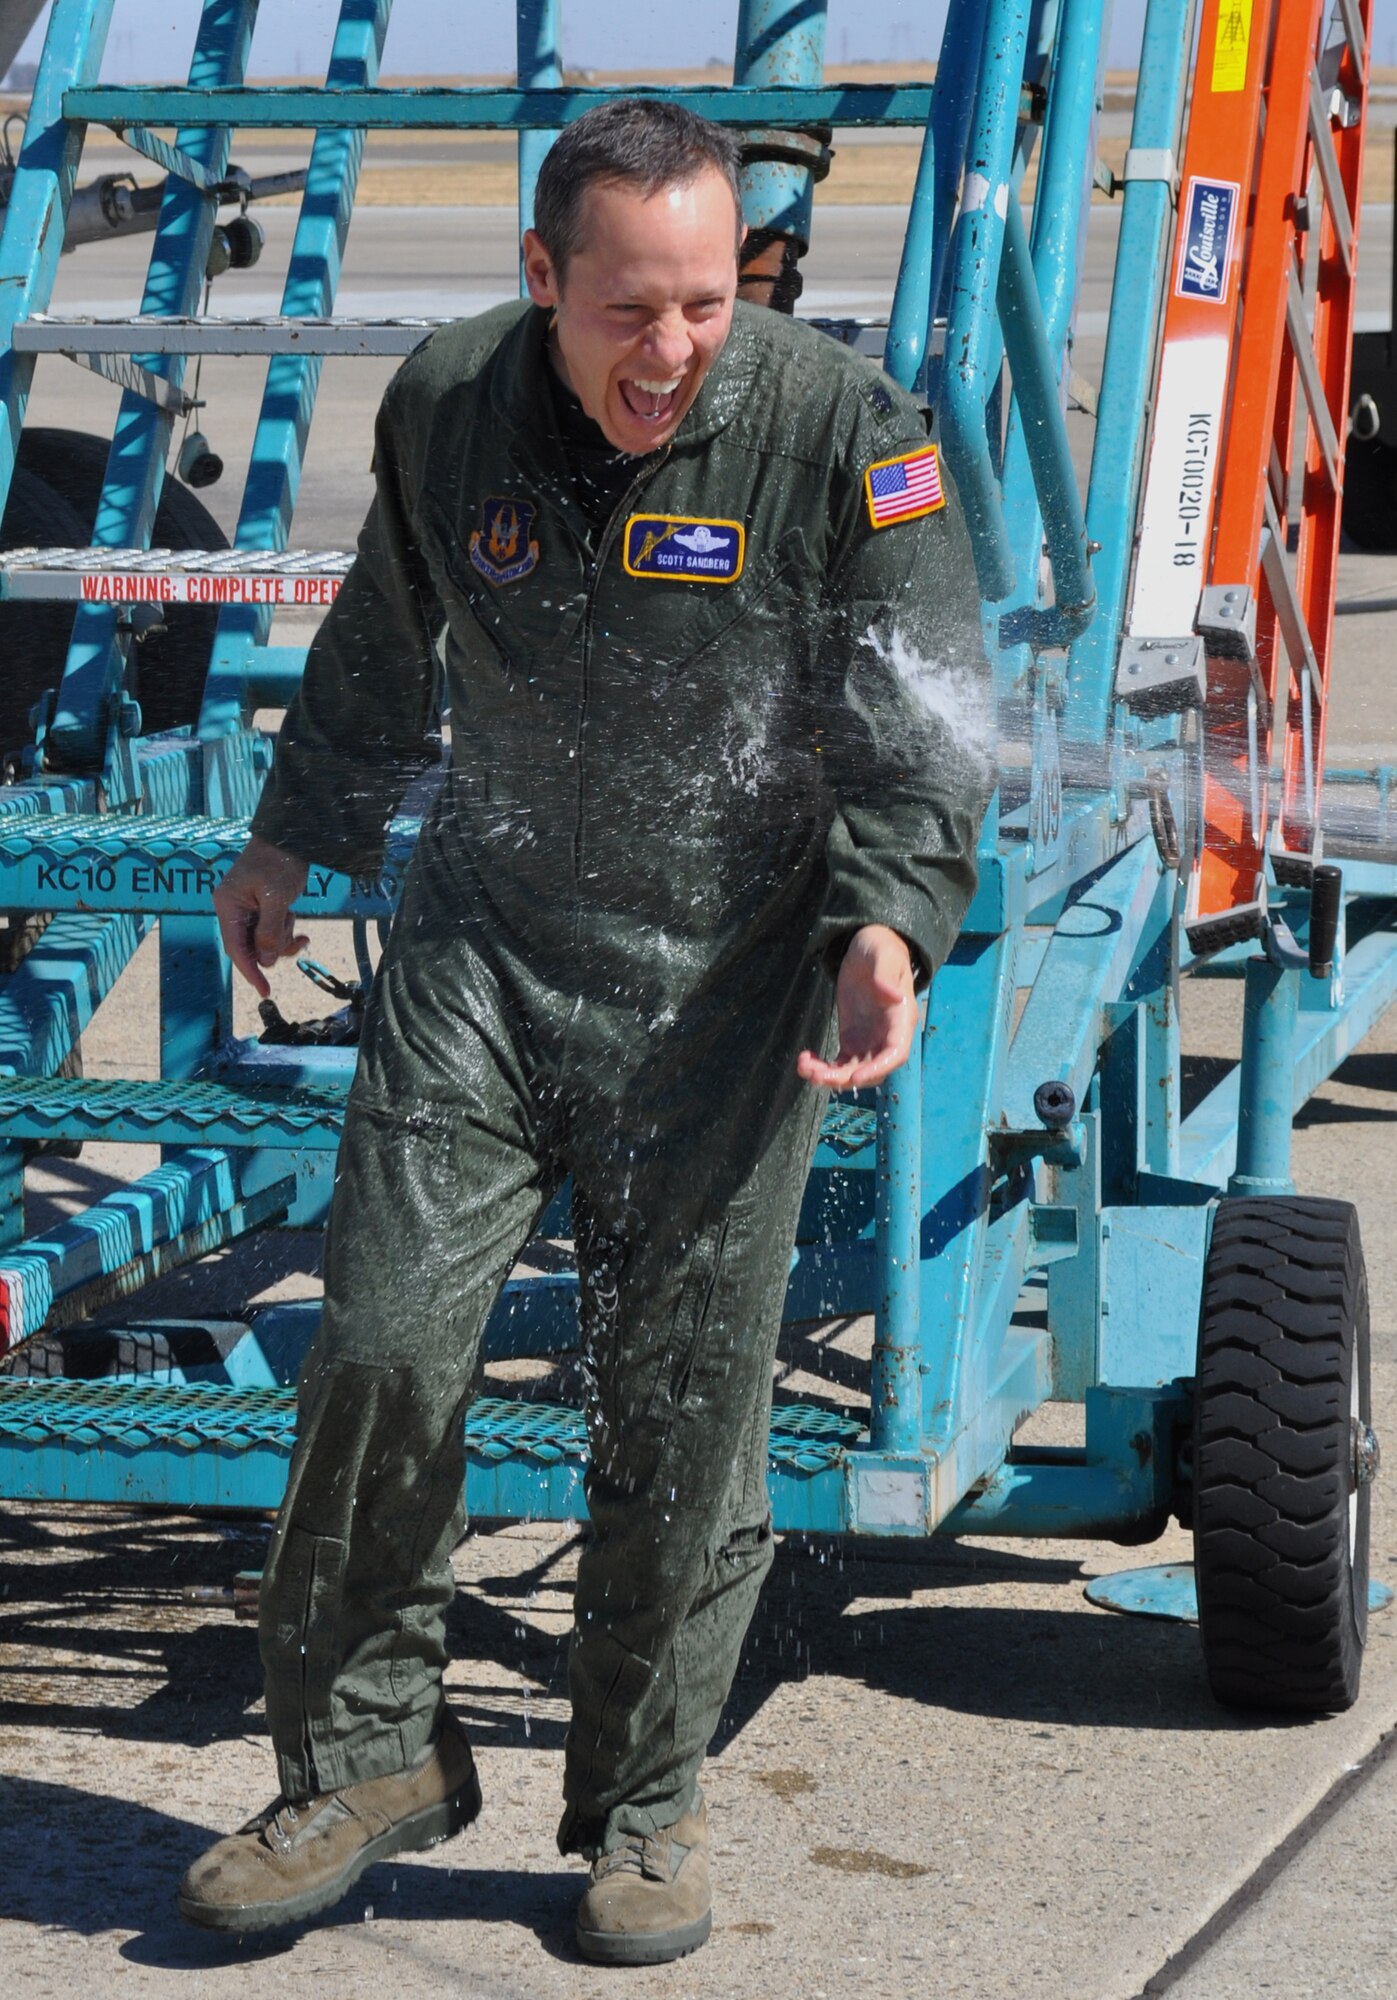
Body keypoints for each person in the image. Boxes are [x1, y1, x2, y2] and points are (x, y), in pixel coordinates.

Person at [181, 97, 989, 1965]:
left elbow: (919, 702)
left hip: (723, 987)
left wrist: (888, 921)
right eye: (628, 307)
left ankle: (642, 1808)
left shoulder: (843, 433)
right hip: (482, 954)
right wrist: (294, 830)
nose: (673, 345)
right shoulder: (449, 401)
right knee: (380, 1348)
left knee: (681, 1408)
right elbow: (384, 630)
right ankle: (368, 1759)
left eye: (706, 301)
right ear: (542, 276)